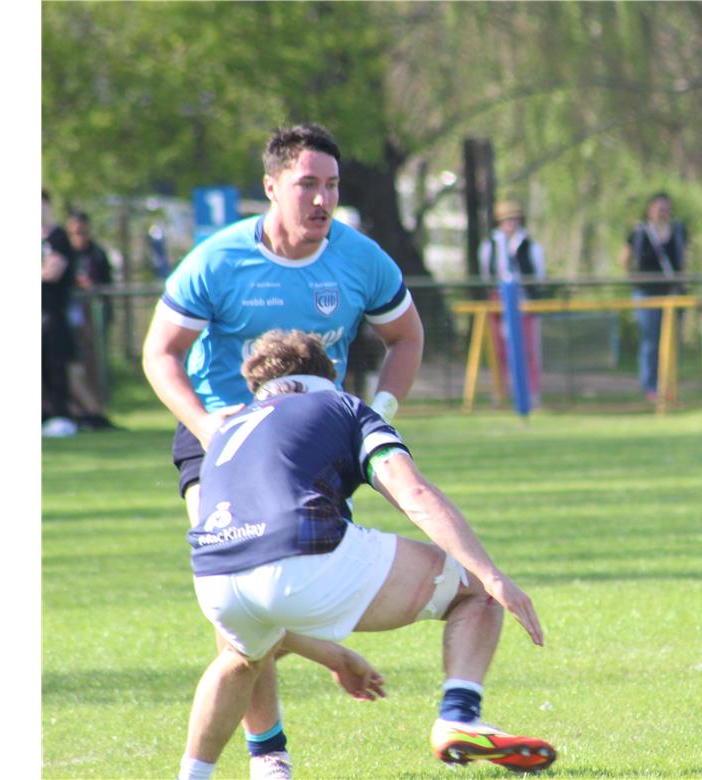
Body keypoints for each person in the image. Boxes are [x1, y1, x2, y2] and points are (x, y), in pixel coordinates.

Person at [142, 123, 425, 780]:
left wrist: (377, 418)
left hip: (315, 440)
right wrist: (208, 430)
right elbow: (160, 353)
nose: (321, 200)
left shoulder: (361, 260)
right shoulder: (217, 261)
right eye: (307, 185)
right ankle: (268, 755)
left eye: (331, 186)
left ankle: (307, 687)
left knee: (277, 593)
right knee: (236, 585)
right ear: (271, 188)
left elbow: (406, 338)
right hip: (221, 439)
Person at [177, 330, 555, 779]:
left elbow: (263, 590)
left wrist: (336, 656)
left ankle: (194, 775)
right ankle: (460, 715)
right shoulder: (341, 406)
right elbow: (411, 492)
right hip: (301, 552)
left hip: (214, 577)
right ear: (327, 374)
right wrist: (492, 575)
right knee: (472, 590)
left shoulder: (225, 426)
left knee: (242, 658)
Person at [477, 200, 546, 405]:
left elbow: (538, 275)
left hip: (523, 300)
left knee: (528, 348)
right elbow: (486, 274)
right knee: (499, 350)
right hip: (498, 300)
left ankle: (531, 393)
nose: (510, 223)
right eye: (506, 219)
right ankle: (500, 393)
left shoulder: (530, 245)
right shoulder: (490, 245)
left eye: (513, 219)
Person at [619, 193, 687, 401]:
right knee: (651, 341)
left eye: (666, 208)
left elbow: (683, 259)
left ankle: (669, 387)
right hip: (646, 293)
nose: (662, 212)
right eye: (659, 208)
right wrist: (633, 278)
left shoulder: (677, 231)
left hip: (672, 293)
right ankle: (650, 388)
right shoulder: (639, 232)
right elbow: (624, 258)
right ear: (650, 210)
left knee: (671, 341)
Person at [64, 211, 119, 431]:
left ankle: (96, 411)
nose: (79, 238)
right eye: (74, 233)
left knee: (93, 364)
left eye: (82, 233)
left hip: (92, 318)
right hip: (68, 321)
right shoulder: (64, 254)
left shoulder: (96, 254)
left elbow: (106, 285)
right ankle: (79, 411)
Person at [42, 190, 79, 437]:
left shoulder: (58, 238)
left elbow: (51, 272)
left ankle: (61, 415)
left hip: (52, 313)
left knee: (56, 365)